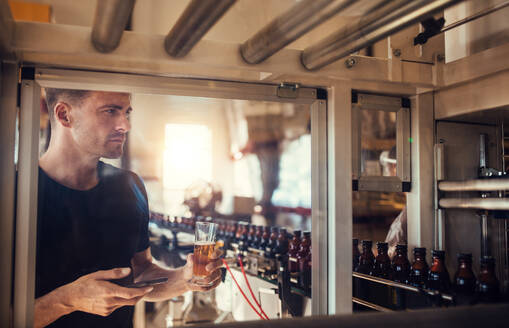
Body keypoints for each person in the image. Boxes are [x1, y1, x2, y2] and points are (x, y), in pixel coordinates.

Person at [35, 89, 223, 328]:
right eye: (110, 111)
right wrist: (68, 300)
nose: (125, 125)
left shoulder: (129, 185)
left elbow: (141, 273)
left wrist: (184, 279)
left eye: (126, 113)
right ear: (64, 115)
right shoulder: (15, 191)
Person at [380, 147, 407, 258]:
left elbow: (392, 255)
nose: (389, 172)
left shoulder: (409, 215)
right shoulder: (409, 208)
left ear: (396, 168)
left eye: (390, 167)